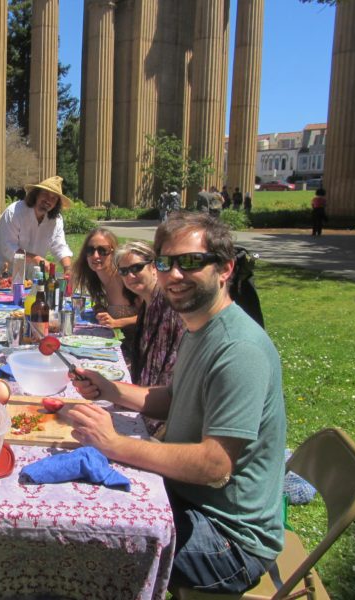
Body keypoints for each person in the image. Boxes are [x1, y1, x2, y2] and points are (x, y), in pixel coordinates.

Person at [69, 212, 286, 594]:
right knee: (79, 503)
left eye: (189, 262)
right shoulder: (200, 326)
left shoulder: (239, 350)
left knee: (84, 545)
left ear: (225, 268)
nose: (174, 274)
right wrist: (111, 389)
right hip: (187, 496)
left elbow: (214, 466)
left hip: (228, 540)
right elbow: (174, 398)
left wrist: (116, 444)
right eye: (165, 263)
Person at [115, 240, 184, 388]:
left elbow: (163, 368)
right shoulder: (148, 303)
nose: (130, 276)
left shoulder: (167, 304)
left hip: (160, 400)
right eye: (124, 271)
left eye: (137, 268)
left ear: (153, 267)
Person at [0, 176, 73, 280]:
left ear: (57, 204)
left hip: (27, 274)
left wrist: (68, 268)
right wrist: (36, 258)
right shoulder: (14, 212)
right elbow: (8, 248)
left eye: (54, 198)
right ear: (36, 194)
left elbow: (60, 246)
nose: (48, 200)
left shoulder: (56, 220)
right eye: (45, 194)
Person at [71, 227, 137, 331]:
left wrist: (117, 323)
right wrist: (100, 309)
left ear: (114, 252)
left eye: (103, 250)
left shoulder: (126, 278)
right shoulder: (95, 279)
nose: (95, 256)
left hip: (133, 343)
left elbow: (150, 315)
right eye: (90, 250)